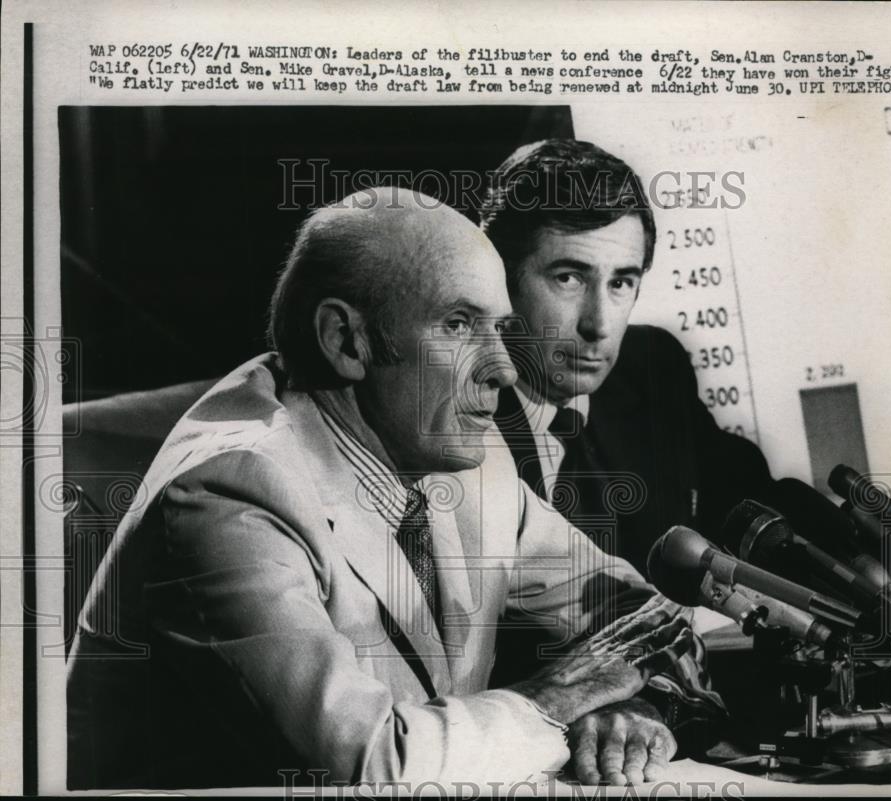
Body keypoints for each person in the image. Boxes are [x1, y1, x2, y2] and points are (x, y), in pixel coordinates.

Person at [67, 188, 722, 790]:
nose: (502, 367)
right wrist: (555, 700)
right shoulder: (227, 495)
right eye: (460, 325)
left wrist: (633, 706)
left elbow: (648, 620)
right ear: (346, 339)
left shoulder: (463, 454)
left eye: (500, 327)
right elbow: (370, 766)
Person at [480, 138, 774, 575]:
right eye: (569, 278)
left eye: (621, 283)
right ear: (499, 279)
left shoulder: (651, 366)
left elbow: (749, 497)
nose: (598, 325)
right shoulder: (455, 414)